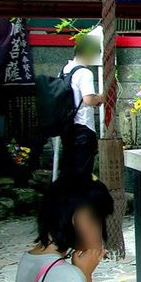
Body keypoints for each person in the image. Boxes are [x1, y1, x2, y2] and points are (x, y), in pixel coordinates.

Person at [60, 35, 103, 182]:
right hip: (83, 127)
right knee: (82, 173)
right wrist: (101, 97)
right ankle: (80, 202)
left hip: (67, 127)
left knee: (69, 170)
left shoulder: (65, 70)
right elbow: (88, 99)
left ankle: (68, 202)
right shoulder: (85, 73)